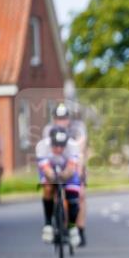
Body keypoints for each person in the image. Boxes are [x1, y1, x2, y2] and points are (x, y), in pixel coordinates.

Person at [42, 103, 89, 246]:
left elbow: (80, 150)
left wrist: (78, 172)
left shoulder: (77, 128)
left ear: (69, 118)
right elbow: (46, 149)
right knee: (53, 190)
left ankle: (79, 229)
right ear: (54, 119)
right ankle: (59, 227)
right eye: (58, 118)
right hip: (55, 164)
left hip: (75, 162)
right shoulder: (49, 129)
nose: (61, 121)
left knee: (80, 195)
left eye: (64, 118)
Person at [36, 127, 83, 248]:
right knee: (48, 188)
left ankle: (72, 227)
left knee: (73, 195)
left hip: (67, 170)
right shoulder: (42, 146)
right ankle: (48, 224)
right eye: (56, 145)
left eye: (62, 146)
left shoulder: (73, 146)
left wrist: (63, 177)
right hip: (49, 169)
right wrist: (53, 178)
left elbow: (71, 169)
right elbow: (46, 169)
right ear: (51, 142)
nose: (59, 149)